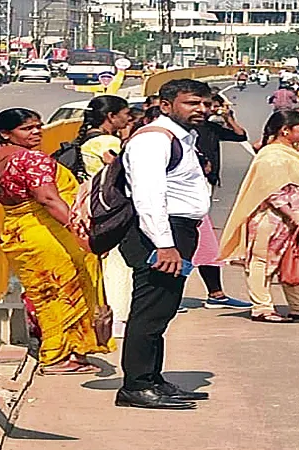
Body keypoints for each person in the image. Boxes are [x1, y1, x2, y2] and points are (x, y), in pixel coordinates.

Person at [0, 108, 114, 375]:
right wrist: (80, 231)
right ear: (5, 133)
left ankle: (68, 352)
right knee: (63, 294)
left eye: (38, 126)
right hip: (47, 234)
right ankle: (56, 358)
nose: (36, 132)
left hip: (19, 231)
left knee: (45, 294)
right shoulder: (31, 159)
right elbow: (48, 199)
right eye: (27, 128)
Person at [116, 79, 212, 410]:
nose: (201, 109)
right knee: (149, 311)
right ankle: (136, 385)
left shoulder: (181, 137)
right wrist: (165, 244)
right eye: (192, 103)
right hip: (160, 234)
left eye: (205, 103)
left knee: (163, 309)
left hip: (178, 231)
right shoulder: (154, 140)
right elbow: (148, 197)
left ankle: (154, 380)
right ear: (166, 105)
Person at [219, 110, 299, 323]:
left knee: (293, 262)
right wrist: (291, 214)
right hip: (274, 220)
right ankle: (262, 308)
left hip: (297, 222)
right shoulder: (272, 156)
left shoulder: (295, 153)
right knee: (263, 263)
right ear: (285, 130)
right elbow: (271, 191)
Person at [77, 95, 133, 338]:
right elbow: (124, 170)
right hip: (112, 206)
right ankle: (116, 317)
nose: (129, 119)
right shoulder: (108, 142)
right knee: (118, 265)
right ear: (111, 116)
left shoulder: (87, 140)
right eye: (125, 114)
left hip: (92, 205)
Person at [192, 93, 252, 310]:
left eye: (209, 105)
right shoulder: (177, 133)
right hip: (185, 195)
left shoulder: (211, 128)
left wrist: (228, 118)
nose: (205, 109)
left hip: (204, 187)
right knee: (187, 244)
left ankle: (215, 294)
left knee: (203, 243)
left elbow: (240, 136)